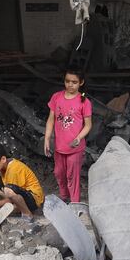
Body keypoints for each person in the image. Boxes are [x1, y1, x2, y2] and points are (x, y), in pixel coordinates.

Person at [44, 69, 92, 203]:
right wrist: (47, 139)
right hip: (59, 146)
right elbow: (51, 119)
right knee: (59, 173)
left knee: (72, 176)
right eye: (67, 81)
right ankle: (64, 198)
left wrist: (78, 138)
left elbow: (88, 125)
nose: (70, 85)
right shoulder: (56, 97)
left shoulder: (84, 101)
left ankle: (75, 203)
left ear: (81, 83)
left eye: (74, 82)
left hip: (75, 148)